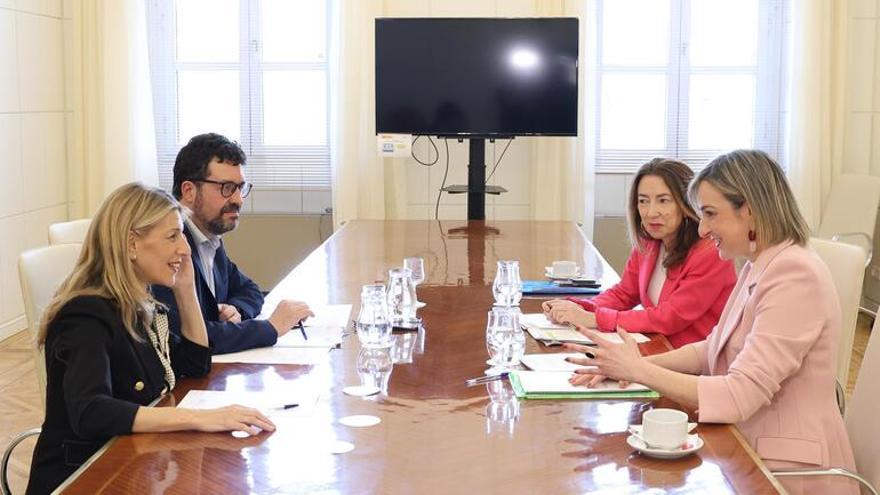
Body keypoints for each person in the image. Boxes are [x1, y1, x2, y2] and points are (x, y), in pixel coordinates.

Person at [566, 150, 858, 494]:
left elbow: (739, 395)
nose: (702, 228)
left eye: (710, 214)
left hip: (785, 470)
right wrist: (628, 365)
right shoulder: (759, 263)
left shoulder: (795, 275)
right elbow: (712, 348)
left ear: (748, 210)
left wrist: (641, 371)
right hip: (750, 445)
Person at [26, 183, 275, 495]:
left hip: (134, 464)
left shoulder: (137, 301)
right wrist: (196, 419)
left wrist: (185, 290)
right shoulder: (86, 315)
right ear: (132, 243)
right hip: (86, 477)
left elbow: (194, 364)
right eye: (172, 236)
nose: (185, 249)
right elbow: (90, 412)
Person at [542, 158, 736, 348]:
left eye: (663, 201)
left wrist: (594, 318)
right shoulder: (648, 243)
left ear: (685, 205)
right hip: (657, 347)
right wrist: (577, 306)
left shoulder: (711, 253)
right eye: (643, 201)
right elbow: (624, 294)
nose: (651, 212)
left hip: (695, 364)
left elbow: (669, 318)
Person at [153, 133, 312, 354]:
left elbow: (251, 291)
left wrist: (236, 310)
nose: (238, 199)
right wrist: (270, 328)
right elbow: (188, 337)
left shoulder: (209, 237)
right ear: (188, 191)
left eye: (240, 187)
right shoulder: (167, 247)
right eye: (226, 187)